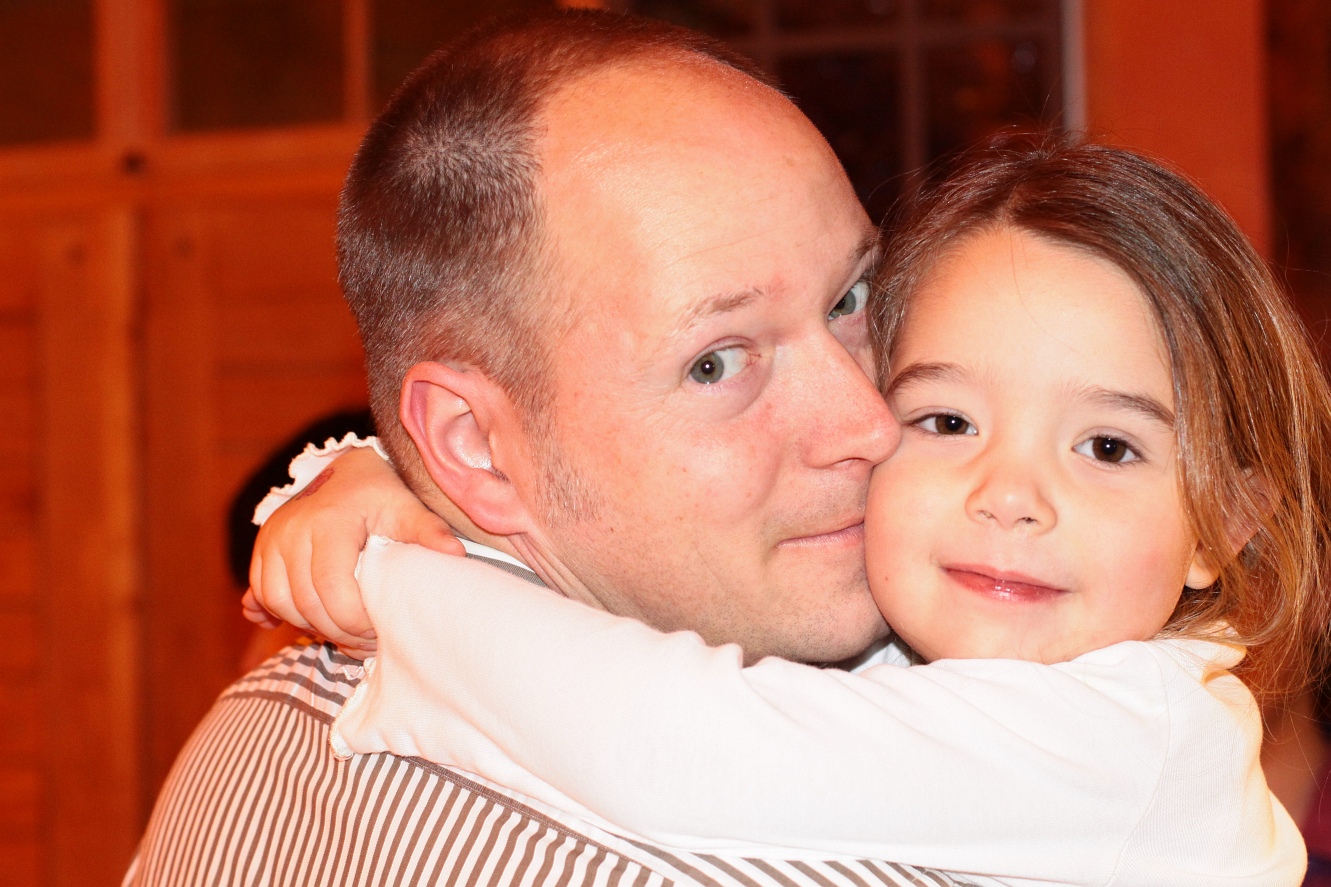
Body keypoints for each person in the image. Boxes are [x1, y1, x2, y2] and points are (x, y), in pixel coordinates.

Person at [249, 140, 1331, 885]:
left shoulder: (1132, 740)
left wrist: (397, 578)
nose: (1007, 496)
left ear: (1224, 525)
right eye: (946, 420)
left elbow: (669, 744)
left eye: (1107, 447)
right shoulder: (932, 648)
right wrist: (385, 478)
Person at [126, 10, 965, 887]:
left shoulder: (254, 732)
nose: (868, 422)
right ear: (475, 446)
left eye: (849, 297)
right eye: (714, 363)